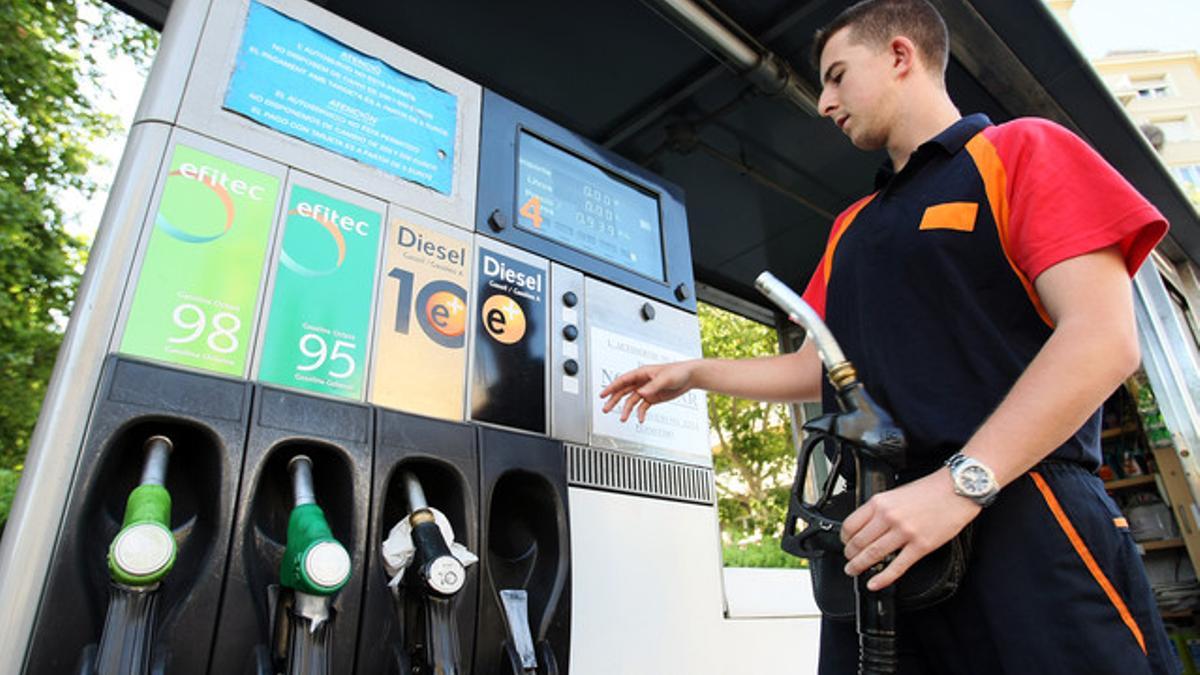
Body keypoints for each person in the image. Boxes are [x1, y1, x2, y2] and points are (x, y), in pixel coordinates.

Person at [599, 0, 1177, 672]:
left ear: (901, 56)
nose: (824, 102)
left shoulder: (1022, 150)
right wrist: (695, 372)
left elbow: (1104, 339)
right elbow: (819, 366)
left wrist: (958, 487)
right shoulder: (852, 225)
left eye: (838, 76)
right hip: (885, 534)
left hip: (1023, 512)